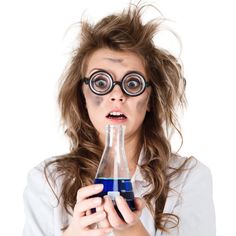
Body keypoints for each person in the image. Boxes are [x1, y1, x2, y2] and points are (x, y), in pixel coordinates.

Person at [23, 3, 216, 236]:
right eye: (101, 83)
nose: (117, 94)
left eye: (132, 83)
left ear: (150, 99)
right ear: (82, 95)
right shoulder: (48, 182)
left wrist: (132, 230)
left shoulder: (188, 179)